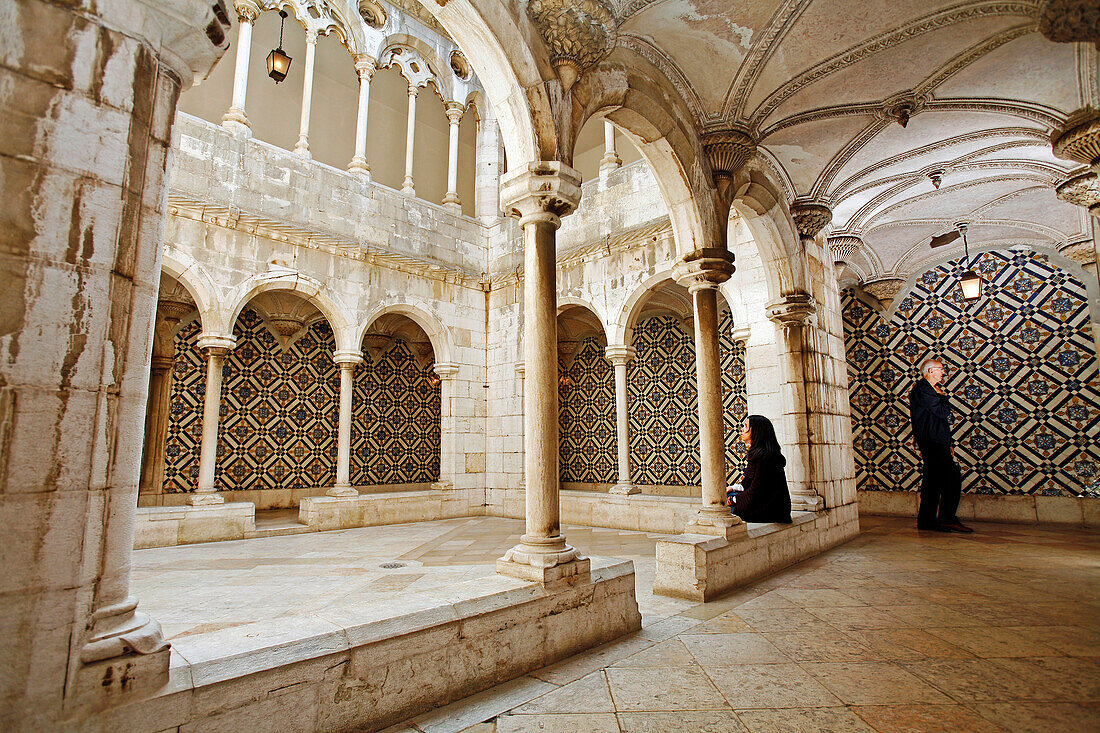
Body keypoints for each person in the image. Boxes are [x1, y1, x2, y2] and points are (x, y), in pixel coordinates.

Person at [908, 358, 973, 533]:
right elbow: (942, 412)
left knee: (933, 482)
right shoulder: (924, 390)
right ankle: (946, 518)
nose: (943, 372)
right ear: (929, 371)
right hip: (932, 442)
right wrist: (944, 397)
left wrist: (948, 443)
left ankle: (928, 521)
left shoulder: (929, 390)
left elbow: (938, 420)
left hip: (936, 441)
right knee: (951, 479)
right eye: (941, 369)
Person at [726, 415, 792, 524]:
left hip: (769, 511)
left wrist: (733, 500)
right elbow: (748, 483)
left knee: (720, 512)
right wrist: (732, 489)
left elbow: (756, 492)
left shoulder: (765, 458)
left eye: (746, 426)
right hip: (764, 506)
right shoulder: (758, 454)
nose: (742, 429)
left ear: (756, 431)